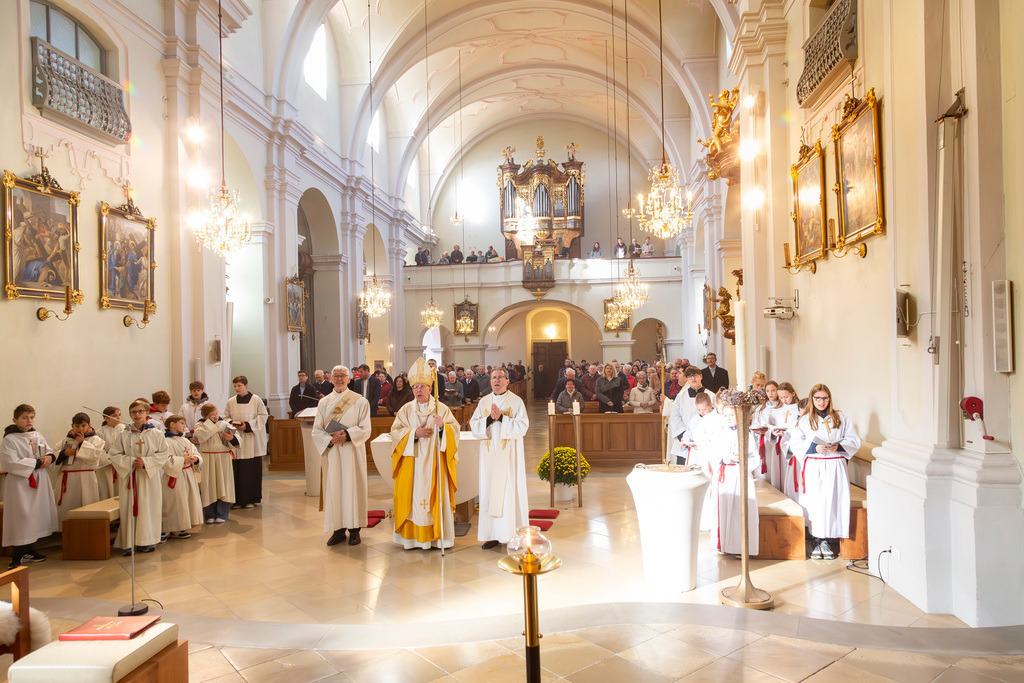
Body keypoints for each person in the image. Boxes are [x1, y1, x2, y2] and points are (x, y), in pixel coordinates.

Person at [389, 358, 461, 550]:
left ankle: (439, 538)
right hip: (412, 464)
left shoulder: (441, 409)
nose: (418, 391)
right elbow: (395, 433)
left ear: (430, 388)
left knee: (435, 496)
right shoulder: (405, 410)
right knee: (412, 498)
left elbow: (455, 431)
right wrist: (414, 433)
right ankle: (411, 539)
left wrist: (442, 428)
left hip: (435, 464)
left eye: (422, 387)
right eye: (415, 387)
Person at [789, 384, 861, 560]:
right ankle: (817, 539)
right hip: (816, 465)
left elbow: (854, 440)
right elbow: (795, 444)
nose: (821, 402)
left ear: (830, 399)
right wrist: (813, 447)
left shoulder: (840, 417)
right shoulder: (805, 420)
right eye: (817, 398)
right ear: (812, 399)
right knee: (817, 502)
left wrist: (840, 445)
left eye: (825, 398)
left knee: (834, 501)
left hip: (836, 464)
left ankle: (829, 539)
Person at [312, 365, 371, 547]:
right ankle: (337, 529)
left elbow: (366, 428)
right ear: (331, 379)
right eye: (336, 376)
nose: (339, 379)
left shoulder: (360, 401)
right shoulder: (324, 403)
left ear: (349, 379)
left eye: (342, 376)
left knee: (352, 487)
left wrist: (347, 435)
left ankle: (354, 530)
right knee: (335, 488)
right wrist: (330, 440)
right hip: (333, 453)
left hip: (352, 451)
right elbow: (316, 430)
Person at [470, 368, 529, 548]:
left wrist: (502, 418)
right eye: (493, 378)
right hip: (490, 457)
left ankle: (513, 535)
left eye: (500, 378)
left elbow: (523, 426)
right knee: (489, 492)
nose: (496, 381)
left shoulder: (516, 401)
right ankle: (493, 535)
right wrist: (489, 419)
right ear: (490, 382)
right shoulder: (484, 402)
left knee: (509, 491)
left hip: (509, 457)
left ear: (507, 381)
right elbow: (474, 425)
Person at [109, 399, 170, 555]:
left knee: (148, 508)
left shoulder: (156, 433)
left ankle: (146, 541)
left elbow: (163, 453)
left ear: (147, 413)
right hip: (130, 477)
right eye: (133, 412)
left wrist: (146, 462)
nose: (137, 415)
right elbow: (114, 454)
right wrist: (130, 462)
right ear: (130, 414)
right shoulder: (124, 434)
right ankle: (128, 543)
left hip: (149, 477)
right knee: (129, 507)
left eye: (140, 411)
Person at [1, 404, 58, 568]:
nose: (29, 420)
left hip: (39, 480)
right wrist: (37, 462)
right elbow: (9, 462)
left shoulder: (37, 435)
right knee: (22, 517)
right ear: (15, 420)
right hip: (20, 484)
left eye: (31, 417)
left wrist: (50, 457)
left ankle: (28, 550)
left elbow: (49, 451)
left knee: (34, 516)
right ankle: (16, 555)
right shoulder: (9, 439)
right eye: (25, 417)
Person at [706, 404, 760, 555]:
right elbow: (713, 455)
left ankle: (741, 546)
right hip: (725, 475)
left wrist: (741, 460)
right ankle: (723, 543)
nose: (729, 418)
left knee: (741, 509)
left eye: (732, 415)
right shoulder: (719, 434)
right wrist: (724, 458)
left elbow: (755, 458)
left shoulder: (746, 434)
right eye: (726, 415)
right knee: (723, 508)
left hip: (741, 474)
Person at [223, 375, 269, 509]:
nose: (237, 388)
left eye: (239, 386)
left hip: (251, 440)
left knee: (251, 470)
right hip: (237, 439)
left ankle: (251, 499)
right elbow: (225, 417)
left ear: (246, 385)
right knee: (238, 470)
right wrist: (232, 424)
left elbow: (263, 416)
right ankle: (237, 500)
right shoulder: (231, 401)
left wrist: (247, 426)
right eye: (235, 386)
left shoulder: (256, 399)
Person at [53, 412, 104, 523]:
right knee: (67, 505)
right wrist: (64, 453)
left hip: (86, 477)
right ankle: (65, 530)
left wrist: (82, 444)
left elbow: (95, 457)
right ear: (72, 426)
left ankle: (86, 528)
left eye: (83, 426)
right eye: (77, 426)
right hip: (68, 477)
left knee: (86, 503)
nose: (80, 429)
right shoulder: (65, 440)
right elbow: (53, 455)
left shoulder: (96, 440)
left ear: (89, 425)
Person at [161, 415, 203, 540]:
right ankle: (166, 528)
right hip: (174, 475)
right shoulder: (165, 441)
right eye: (182, 423)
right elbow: (164, 459)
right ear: (172, 425)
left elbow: (196, 453)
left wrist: (195, 459)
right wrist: (183, 460)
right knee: (173, 502)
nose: (184, 426)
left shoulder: (185, 441)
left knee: (185, 501)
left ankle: (179, 527)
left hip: (187, 474)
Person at [194, 403, 237, 524]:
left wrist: (231, 438)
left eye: (217, 413)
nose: (216, 416)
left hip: (223, 458)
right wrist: (211, 424)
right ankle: (209, 514)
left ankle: (222, 513)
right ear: (205, 416)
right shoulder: (200, 425)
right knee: (209, 486)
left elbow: (237, 439)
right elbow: (200, 436)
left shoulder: (224, 424)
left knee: (223, 485)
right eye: (212, 415)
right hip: (208, 458)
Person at [773, 382, 802, 500]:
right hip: (778, 445)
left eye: (786, 396)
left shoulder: (800, 409)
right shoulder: (777, 410)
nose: (783, 400)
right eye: (780, 397)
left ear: (793, 394)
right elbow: (771, 425)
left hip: (792, 445)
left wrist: (786, 433)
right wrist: (772, 432)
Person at [95, 406, 124, 499]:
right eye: (114, 415)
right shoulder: (100, 432)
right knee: (106, 492)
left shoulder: (125, 429)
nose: (118, 417)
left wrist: (118, 460)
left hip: (122, 465)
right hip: (106, 467)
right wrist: (110, 461)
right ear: (106, 418)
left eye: (119, 415)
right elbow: (99, 450)